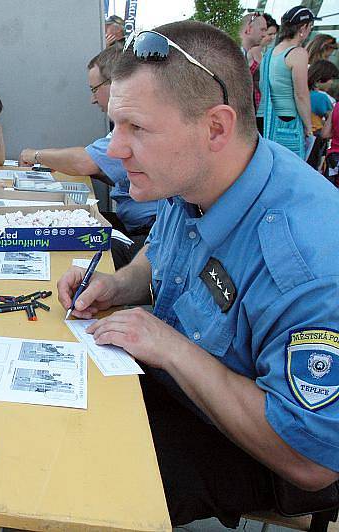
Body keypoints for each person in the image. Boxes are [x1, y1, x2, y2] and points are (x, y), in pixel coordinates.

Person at [58, 20, 339, 527]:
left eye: (137, 128)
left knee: (73, 486)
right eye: (115, 126)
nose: (116, 151)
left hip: (259, 448)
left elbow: (312, 461)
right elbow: (161, 251)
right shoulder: (196, 173)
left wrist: (168, 345)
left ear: (215, 127)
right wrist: (120, 284)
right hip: (181, 384)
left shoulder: (307, 266)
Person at [18, 46, 160, 267]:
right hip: (136, 228)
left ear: (115, 84)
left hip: (148, 235)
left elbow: (84, 161)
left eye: (94, 89)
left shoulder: (139, 125)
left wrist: (35, 155)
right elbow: (101, 165)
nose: (93, 100)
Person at [257, 6, 314, 158]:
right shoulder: (297, 53)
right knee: (288, 169)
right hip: (286, 121)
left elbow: (262, 86)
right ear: (303, 27)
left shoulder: (269, 54)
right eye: (310, 27)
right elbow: (301, 94)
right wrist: (309, 128)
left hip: (263, 119)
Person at [307, 60, 339, 169]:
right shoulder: (322, 97)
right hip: (316, 138)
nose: (332, 82)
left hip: (306, 135)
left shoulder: (307, 93)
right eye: (331, 78)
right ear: (321, 78)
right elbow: (332, 120)